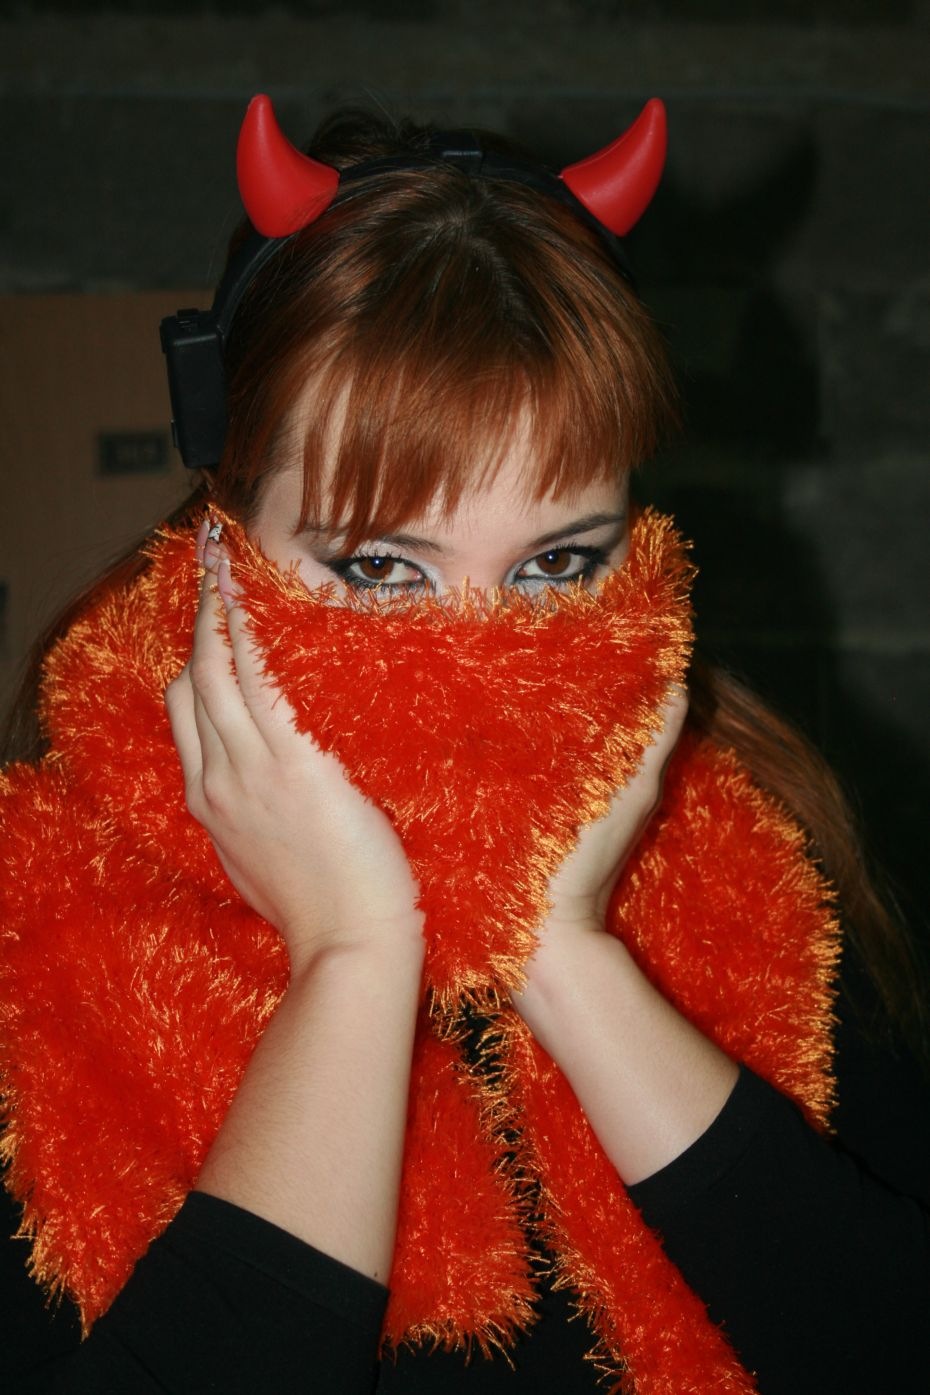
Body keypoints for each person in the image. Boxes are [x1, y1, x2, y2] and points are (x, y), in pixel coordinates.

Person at [1, 94, 928, 1395]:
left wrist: (567, 953)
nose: (485, 670)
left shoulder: (766, 861)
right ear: (222, 544)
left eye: (555, 565)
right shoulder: (36, 934)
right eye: (382, 567)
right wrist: (354, 959)